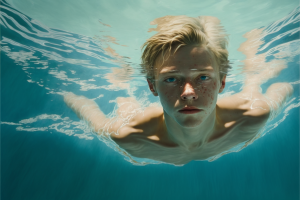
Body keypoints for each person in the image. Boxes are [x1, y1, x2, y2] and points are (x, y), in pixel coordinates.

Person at [64, 15, 293, 165]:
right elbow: (85, 109)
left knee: (253, 80)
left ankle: (211, 25)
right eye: (171, 79)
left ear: (223, 83)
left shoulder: (252, 117)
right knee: (124, 96)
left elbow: (284, 87)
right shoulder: (129, 136)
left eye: (203, 77)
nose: (188, 92)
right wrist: (66, 95)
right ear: (152, 86)